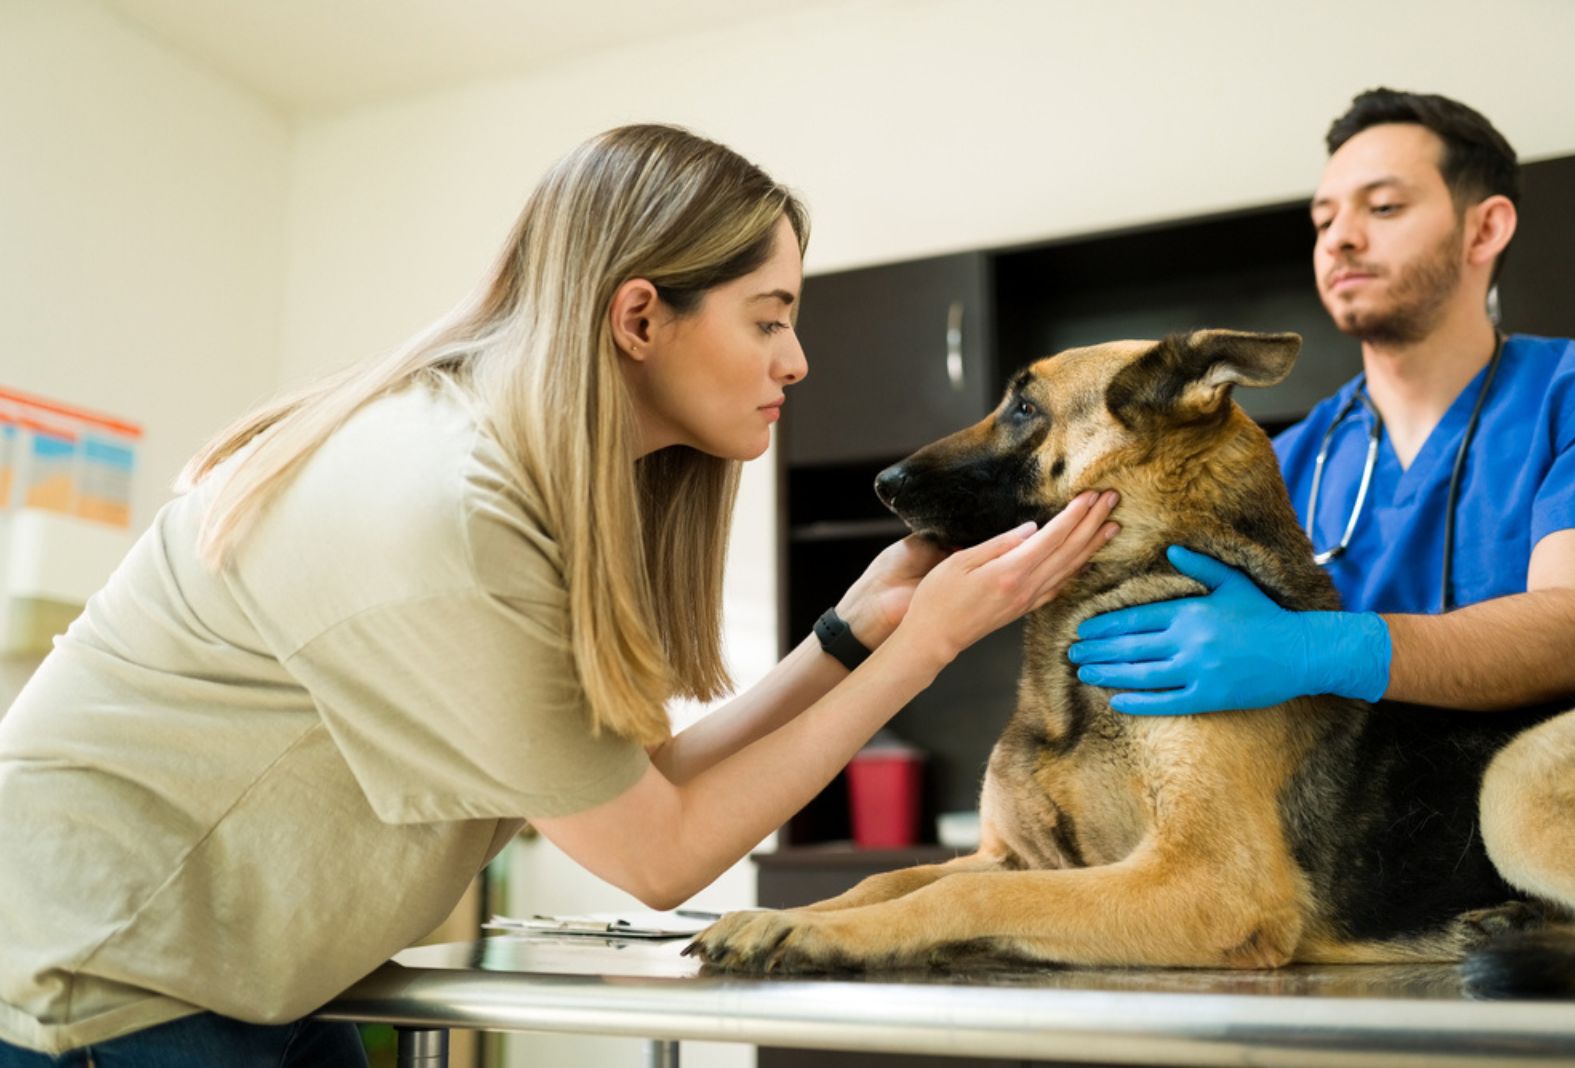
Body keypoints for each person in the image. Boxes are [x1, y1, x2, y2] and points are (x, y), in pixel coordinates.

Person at [0, 124, 1122, 1065]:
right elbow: (659, 853)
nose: (796, 361)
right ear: (639, 318)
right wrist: (922, 649)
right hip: (99, 985)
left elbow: (630, 789)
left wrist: (846, 637)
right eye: (769, 317)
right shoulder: (436, 504)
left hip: (250, 979)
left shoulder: (516, 488)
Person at [1067, 91, 1575, 916]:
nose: (1341, 238)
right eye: (1323, 220)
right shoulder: (1291, 458)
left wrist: (1324, 648)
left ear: (1485, 230)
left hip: (1557, 820)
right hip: (1381, 869)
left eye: (1383, 207)